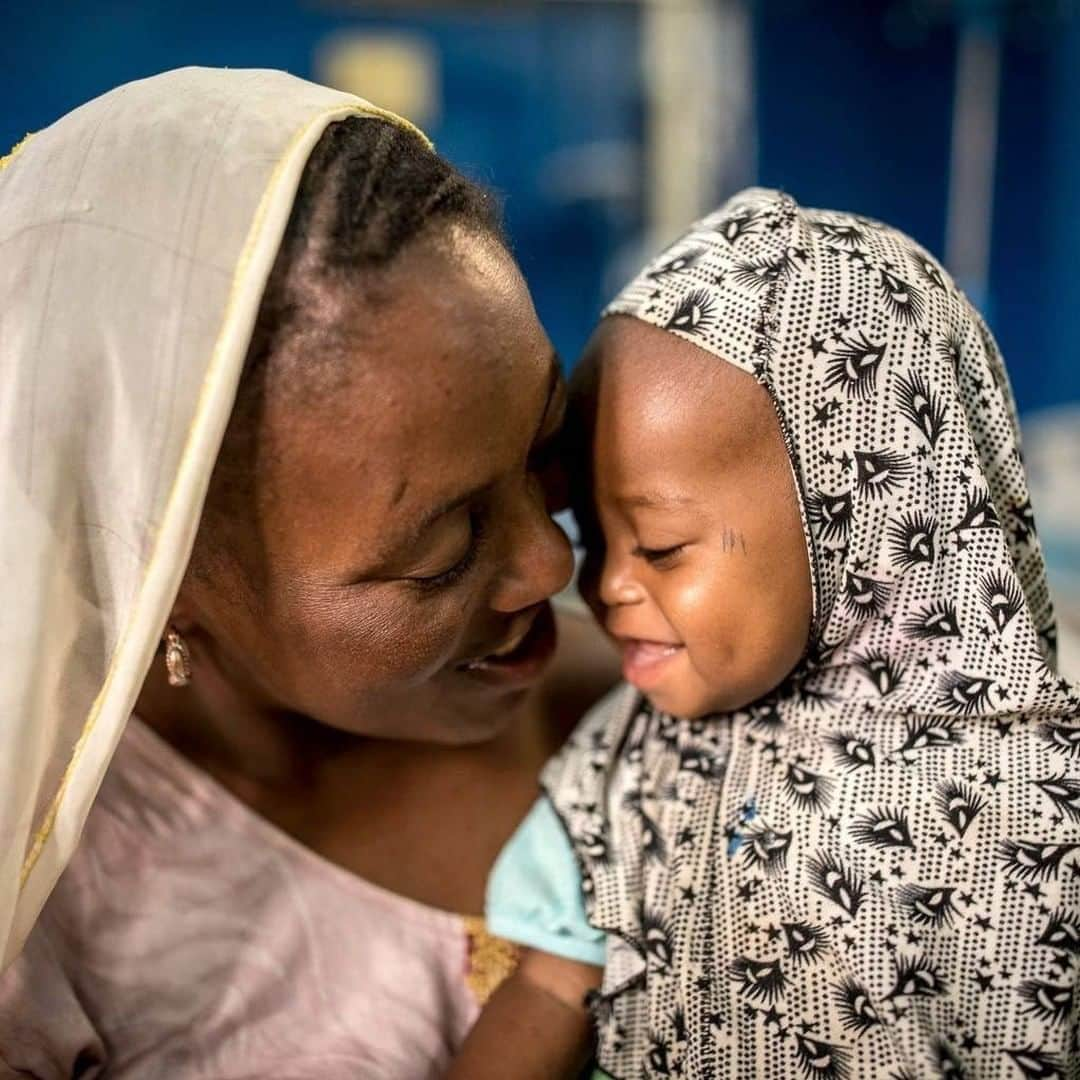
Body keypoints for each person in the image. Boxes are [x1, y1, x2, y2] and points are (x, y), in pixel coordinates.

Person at [0, 67, 616, 1077]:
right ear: (166, 575)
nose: (551, 562)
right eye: (442, 554)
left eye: (547, 445)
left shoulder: (651, 710)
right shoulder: (39, 937)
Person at [453, 187, 1080, 1079]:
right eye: (594, 534)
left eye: (662, 548)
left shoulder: (1045, 804)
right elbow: (551, 989)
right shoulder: (627, 767)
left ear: (866, 518)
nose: (602, 583)